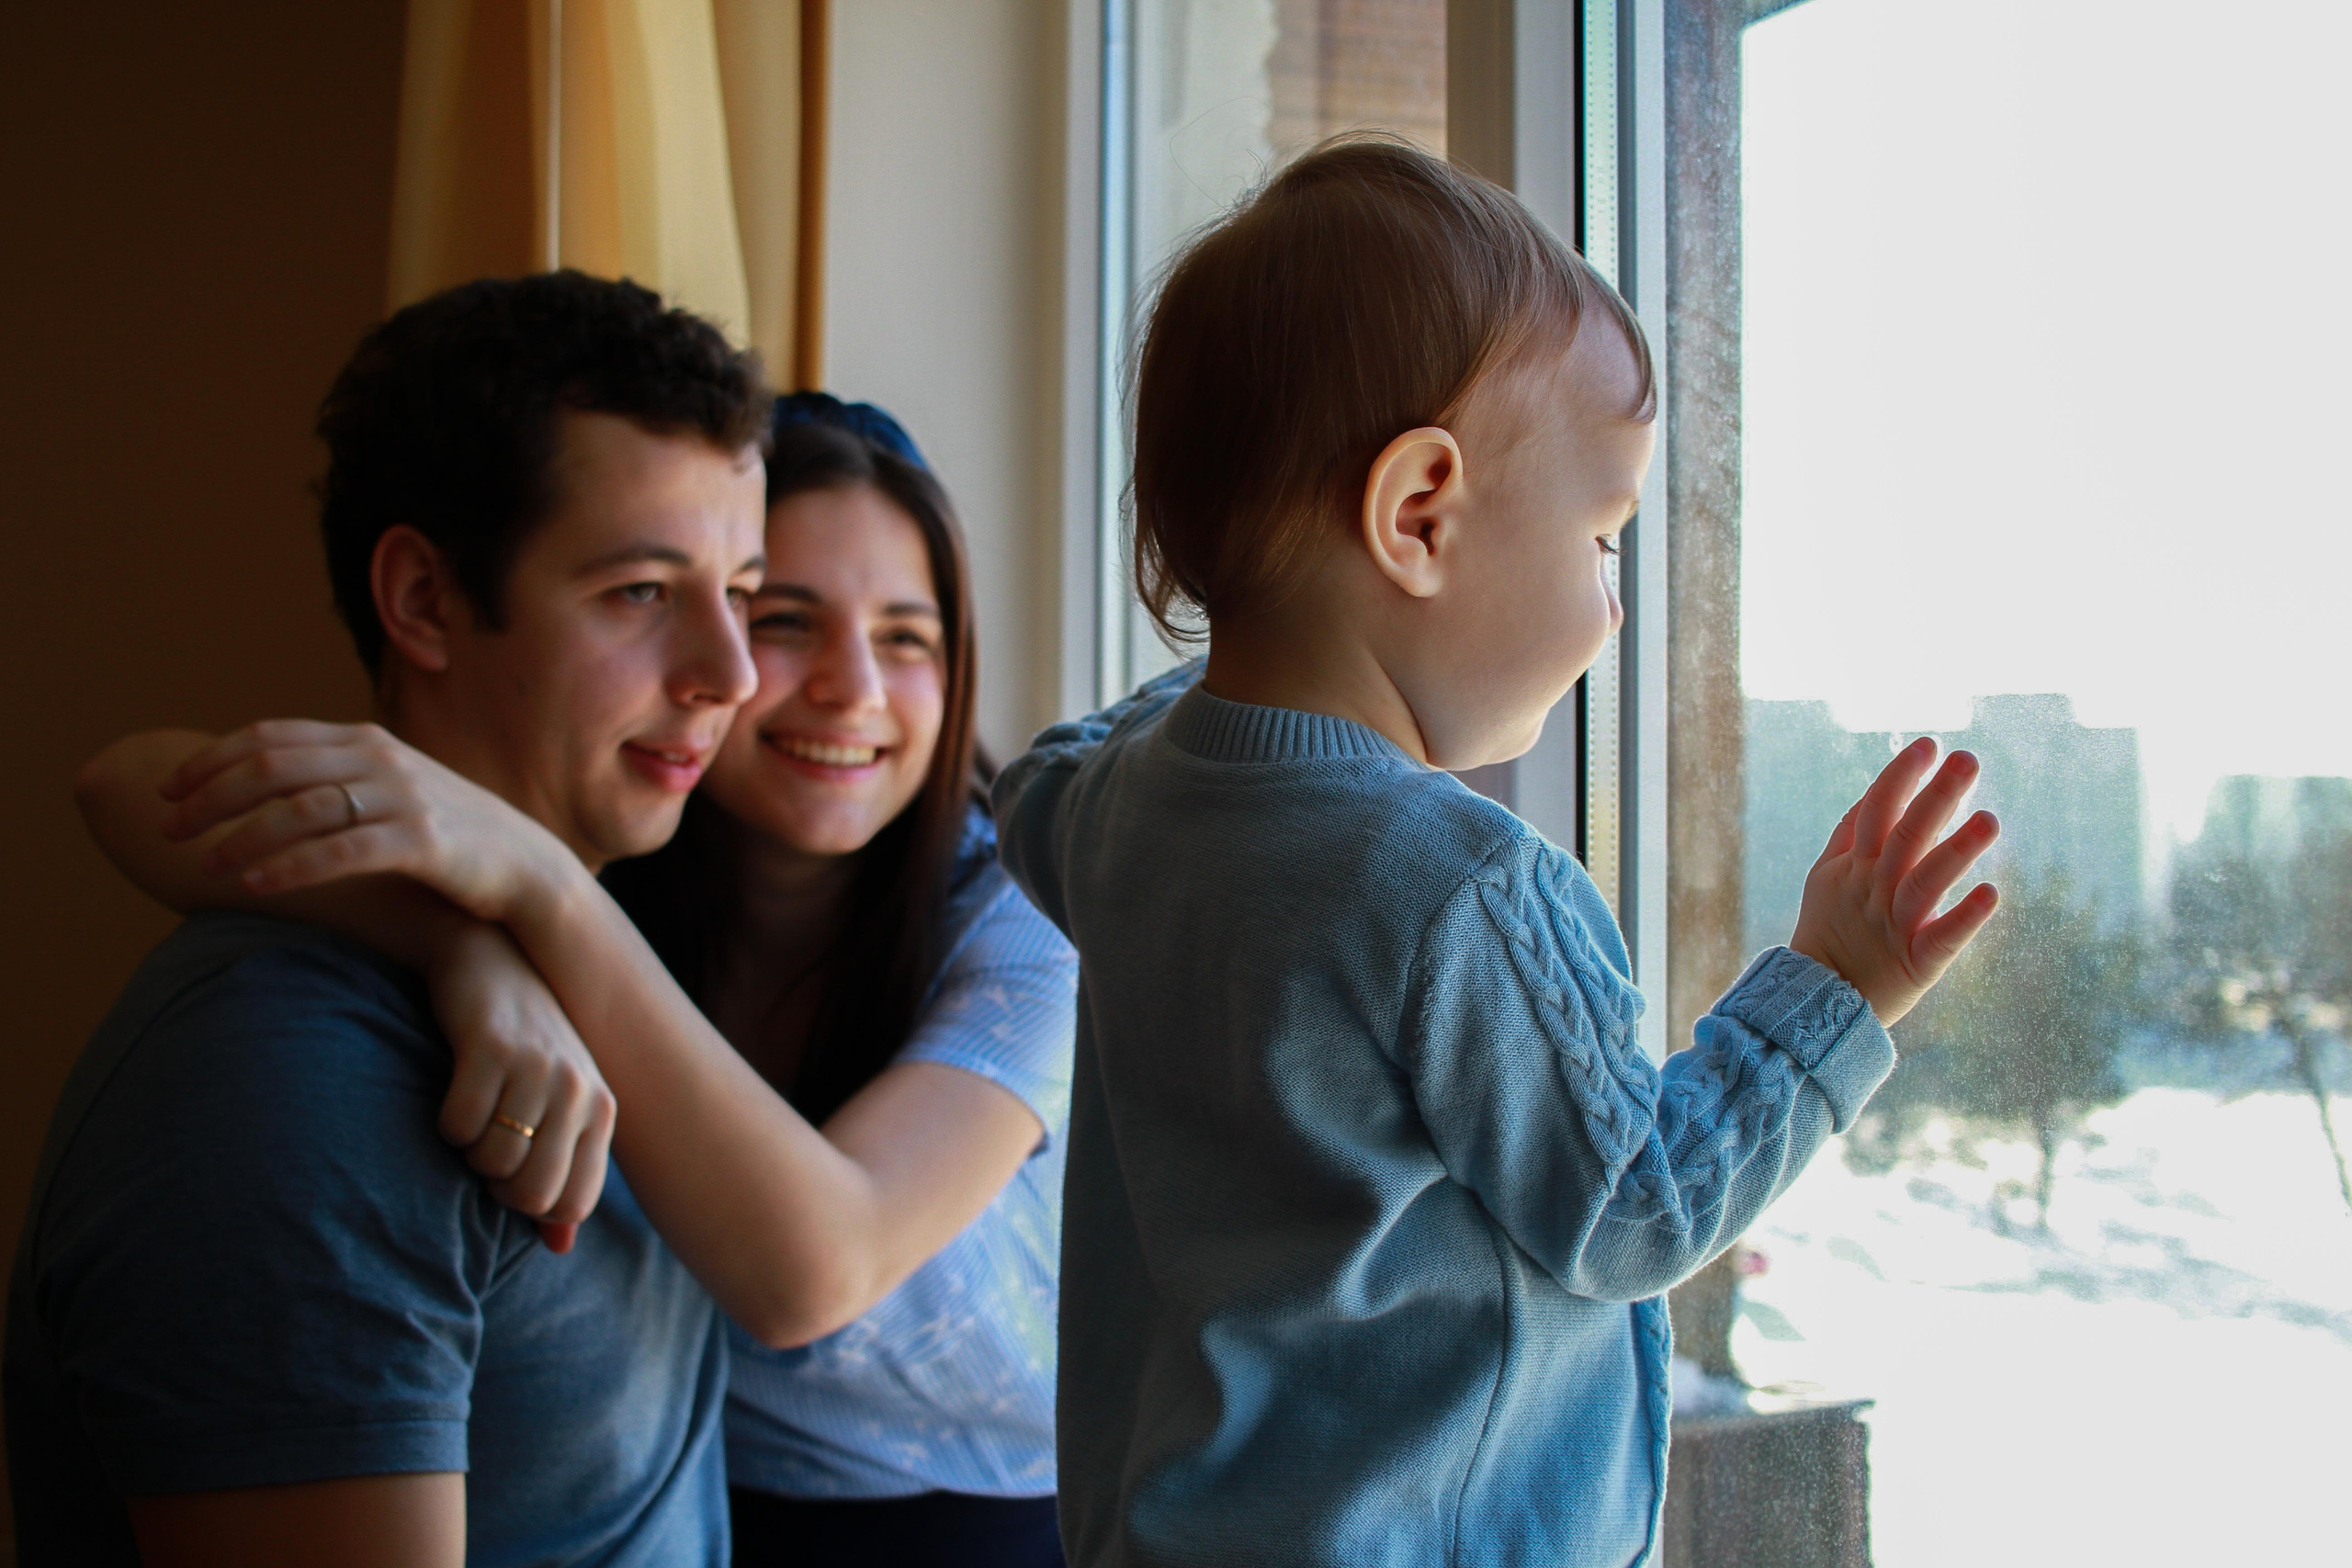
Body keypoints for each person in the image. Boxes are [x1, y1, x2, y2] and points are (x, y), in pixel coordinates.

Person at [989, 137, 2005, 1567]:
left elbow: (1032, 780)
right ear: (1419, 514)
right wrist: (1835, 984)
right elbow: (1637, 1204)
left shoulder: (1118, 811)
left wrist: (1234, 646)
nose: (1613, 606)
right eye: (1604, 539)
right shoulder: (1457, 884)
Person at [74, 397, 1079, 1568]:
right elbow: (128, 784)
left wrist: (539, 896)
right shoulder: (625, 832)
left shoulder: (1022, 918)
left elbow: (815, 1270)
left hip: (990, 1521)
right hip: (702, 1500)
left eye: (908, 639)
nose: (853, 688)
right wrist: (463, 948)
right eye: (784, 620)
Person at [7, 269, 773, 1567]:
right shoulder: (292, 1086)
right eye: (641, 591)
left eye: (742, 590)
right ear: (422, 599)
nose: (731, 673)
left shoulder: (600, 950)